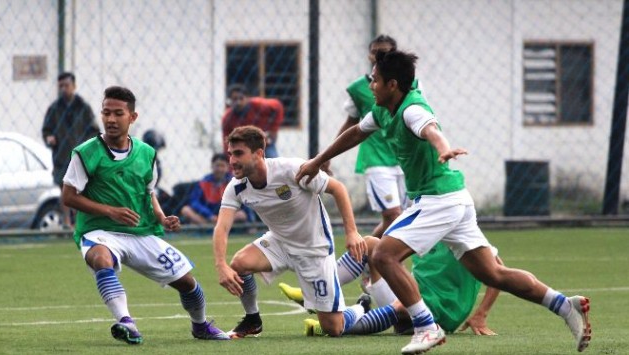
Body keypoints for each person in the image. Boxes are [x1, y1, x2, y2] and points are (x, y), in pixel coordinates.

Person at [296, 51, 591, 354]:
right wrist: (318, 161)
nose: (370, 84)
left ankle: (426, 327)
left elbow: (431, 130)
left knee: (383, 254)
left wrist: (444, 148)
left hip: (438, 199)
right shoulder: (383, 110)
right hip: (454, 198)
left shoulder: (412, 109)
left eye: (375, 80)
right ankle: (564, 306)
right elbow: (356, 132)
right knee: (492, 274)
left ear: (393, 84)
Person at [61, 86, 229, 345]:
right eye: (106, 113)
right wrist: (111, 211)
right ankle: (126, 321)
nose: (111, 119)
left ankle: (201, 325)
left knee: (187, 282)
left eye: (118, 113)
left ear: (132, 117)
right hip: (99, 231)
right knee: (101, 260)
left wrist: (161, 217)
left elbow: (148, 193)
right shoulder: (85, 152)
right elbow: (68, 197)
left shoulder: (146, 154)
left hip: (140, 231)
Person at [213, 125, 410, 340]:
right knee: (239, 264)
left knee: (333, 328)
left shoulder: (291, 170)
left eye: (238, 153)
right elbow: (222, 227)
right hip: (279, 243)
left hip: (314, 249)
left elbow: (338, 189)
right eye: (230, 154)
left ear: (259, 153)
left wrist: (351, 232)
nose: (232, 160)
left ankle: (374, 306)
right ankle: (253, 319)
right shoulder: (237, 187)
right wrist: (220, 264)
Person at [279, 236, 503, 336]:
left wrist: (480, 314)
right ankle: (317, 292)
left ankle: (337, 324)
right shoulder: (425, 228)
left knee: (403, 304)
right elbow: (390, 255)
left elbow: (499, 270)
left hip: (443, 312)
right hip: (412, 298)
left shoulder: (466, 238)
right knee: (370, 244)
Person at [327, 34, 407, 240]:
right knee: (392, 215)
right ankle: (371, 259)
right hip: (376, 158)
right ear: (369, 56)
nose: (379, 56)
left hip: (404, 157)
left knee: (406, 217)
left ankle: (376, 261)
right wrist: (328, 156)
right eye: (375, 52)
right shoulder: (359, 89)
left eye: (385, 52)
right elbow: (351, 123)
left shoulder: (410, 85)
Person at [42, 72, 100, 228]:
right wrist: (49, 138)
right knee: (65, 190)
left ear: (73, 86)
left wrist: (88, 146)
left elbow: (94, 130)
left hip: (81, 156)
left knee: (80, 190)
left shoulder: (83, 108)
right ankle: (67, 222)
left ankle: (80, 220)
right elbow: (46, 130)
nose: (63, 89)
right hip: (61, 156)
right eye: (60, 86)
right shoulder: (54, 109)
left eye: (66, 85)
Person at [180, 153, 248, 225]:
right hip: (207, 217)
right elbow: (194, 202)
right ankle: (211, 226)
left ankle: (213, 226)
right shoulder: (204, 182)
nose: (219, 169)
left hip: (226, 216)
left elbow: (243, 203)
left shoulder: (234, 182)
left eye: (222, 166)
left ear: (227, 167)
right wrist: (209, 215)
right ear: (212, 166)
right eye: (217, 166)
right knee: (186, 210)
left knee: (241, 215)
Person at [221, 85, 284, 158]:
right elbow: (226, 141)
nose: (238, 102)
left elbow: (278, 106)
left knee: (273, 164)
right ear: (230, 100)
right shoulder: (227, 118)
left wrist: (274, 129)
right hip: (243, 148)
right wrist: (229, 157)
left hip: (264, 144)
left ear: (247, 98)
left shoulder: (258, 104)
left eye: (241, 98)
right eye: (235, 99)